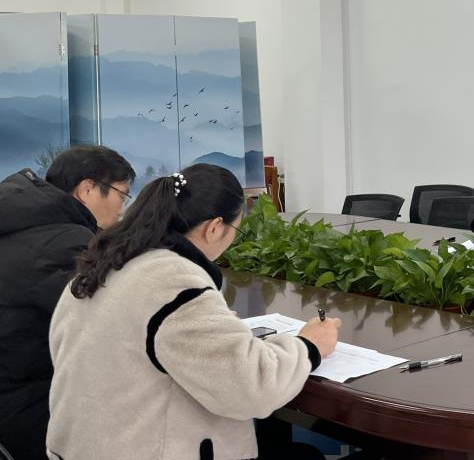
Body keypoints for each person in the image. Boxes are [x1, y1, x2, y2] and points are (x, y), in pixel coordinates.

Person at [46, 164, 341, 460]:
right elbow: (255, 388)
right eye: (235, 230)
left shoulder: (107, 263)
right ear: (214, 227)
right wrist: (309, 345)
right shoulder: (175, 284)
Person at [0, 145, 135, 460]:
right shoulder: (64, 243)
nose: (122, 209)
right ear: (87, 190)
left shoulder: (22, 225)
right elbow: (108, 323)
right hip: (33, 409)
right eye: (122, 195)